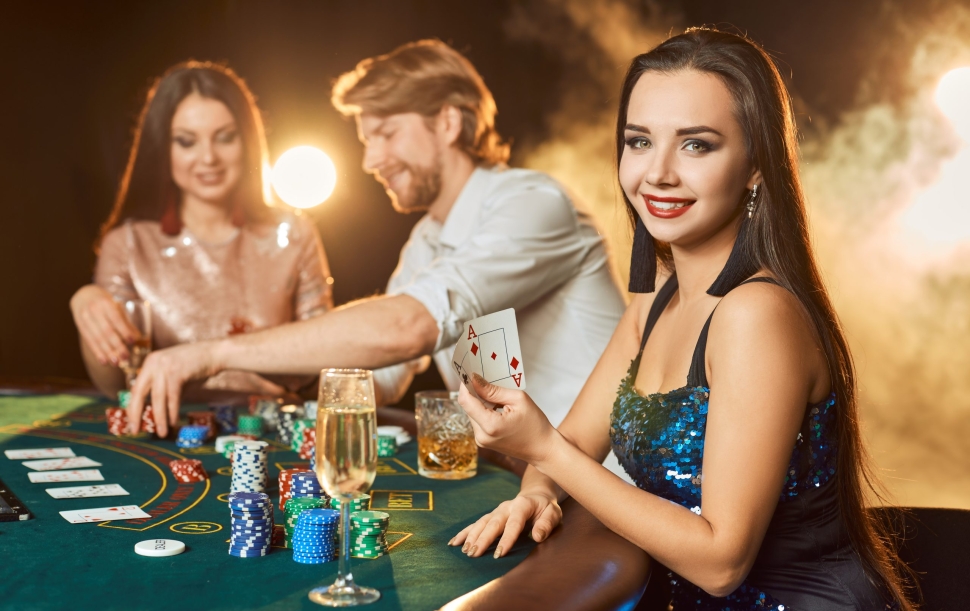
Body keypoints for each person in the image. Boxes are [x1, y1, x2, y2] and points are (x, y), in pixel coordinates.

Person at [448, 29, 912, 611]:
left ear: (756, 167)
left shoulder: (756, 314)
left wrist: (542, 452)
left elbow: (721, 563)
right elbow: (572, 442)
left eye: (696, 145)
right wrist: (537, 492)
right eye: (639, 141)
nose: (657, 174)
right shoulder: (654, 301)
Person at [125, 39, 628, 476]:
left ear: (448, 122)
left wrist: (212, 352)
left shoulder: (533, 202)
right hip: (527, 484)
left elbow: (406, 329)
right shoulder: (427, 240)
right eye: (366, 141)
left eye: (386, 133)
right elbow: (381, 378)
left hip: (606, 484)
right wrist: (256, 354)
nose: (370, 160)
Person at [70, 61, 333, 401]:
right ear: (163, 149)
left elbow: (326, 358)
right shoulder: (127, 242)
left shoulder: (293, 233)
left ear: (247, 141)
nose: (208, 158)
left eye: (225, 138)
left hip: (273, 433)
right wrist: (87, 303)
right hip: (168, 436)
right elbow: (116, 385)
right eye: (186, 141)